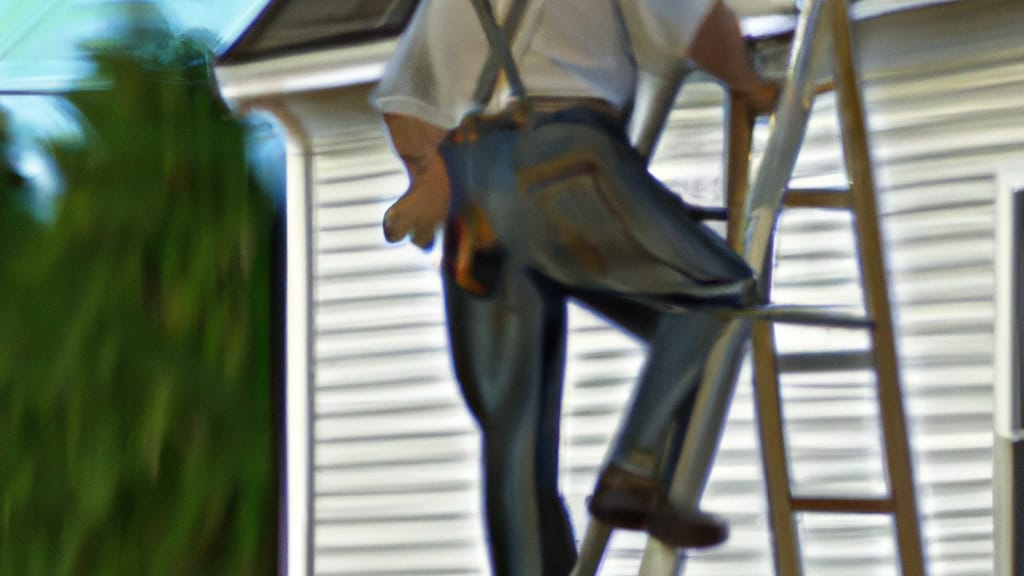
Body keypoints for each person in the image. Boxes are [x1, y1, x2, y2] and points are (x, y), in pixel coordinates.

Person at [371, 1, 777, 574]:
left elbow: (402, 102)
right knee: (721, 292)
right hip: (560, 157)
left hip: (473, 194)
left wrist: (430, 180)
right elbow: (697, 21)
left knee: (515, 442)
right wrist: (750, 84)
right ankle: (634, 471)